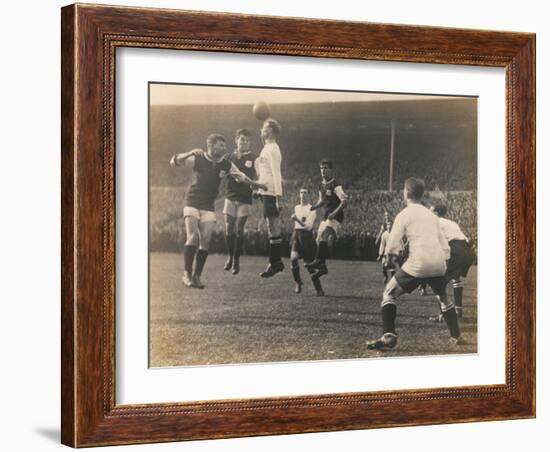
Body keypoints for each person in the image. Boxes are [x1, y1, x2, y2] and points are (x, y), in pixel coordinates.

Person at [366, 178, 463, 350]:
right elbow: (445, 246)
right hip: (439, 262)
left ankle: (388, 335)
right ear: (421, 194)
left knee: (389, 292)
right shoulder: (432, 216)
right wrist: (443, 264)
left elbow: (393, 242)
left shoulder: (404, 214)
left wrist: (389, 258)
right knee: (443, 297)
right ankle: (456, 335)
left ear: (406, 192)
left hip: (419, 262)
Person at [169, 134, 266, 289]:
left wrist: (257, 185)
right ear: (212, 146)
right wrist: (190, 152)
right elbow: (174, 161)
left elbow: (241, 177)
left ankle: (197, 277)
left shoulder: (226, 164)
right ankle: (186, 274)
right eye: (221, 145)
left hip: (208, 205)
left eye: (224, 145)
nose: (224, 148)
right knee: (193, 237)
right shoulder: (199, 158)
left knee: (205, 241)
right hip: (192, 202)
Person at [430, 204, 476, 320]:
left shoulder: (435, 222)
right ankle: (458, 310)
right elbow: (467, 240)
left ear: (435, 212)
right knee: (456, 278)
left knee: (438, 282)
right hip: (468, 251)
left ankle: (444, 315)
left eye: (430, 211)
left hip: (455, 250)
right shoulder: (452, 223)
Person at [306, 160, 348, 279]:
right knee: (318, 239)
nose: (323, 171)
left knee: (324, 235)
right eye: (321, 168)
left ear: (330, 169)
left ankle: (318, 261)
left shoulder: (336, 185)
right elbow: (322, 200)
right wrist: (314, 206)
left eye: (325, 168)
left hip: (336, 215)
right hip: (327, 215)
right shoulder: (321, 185)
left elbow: (344, 202)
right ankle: (323, 267)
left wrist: (334, 213)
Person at [222, 128, 257, 275]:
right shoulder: (229, 157)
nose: (243, 142)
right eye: (241, 139)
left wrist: (256, 188)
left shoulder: (254, 158)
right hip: (230, 196)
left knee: (239, 229)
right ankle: (230, 256)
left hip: (244, 198)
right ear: (236, 140)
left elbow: (259, 175)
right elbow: (222, 172)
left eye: (246, 140)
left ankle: (236, 260)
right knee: (229, 229)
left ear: (250, 143)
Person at [255, 118, 285, 278]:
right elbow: (264, 173)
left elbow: (276, 173)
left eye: (264, 128)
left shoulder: (273, 149)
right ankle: (276, 262)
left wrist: (278, 197)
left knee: (273, 226)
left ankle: (275, 263)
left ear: (271, 131)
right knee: (270, 226)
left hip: (271, 193)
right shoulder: (266, 148)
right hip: (264, 192)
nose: (261, 129)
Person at [289, 188, 324, 296]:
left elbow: (308, 227)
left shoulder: (312, 209)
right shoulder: (296, 207)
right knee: (293, 259)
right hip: (296, 235)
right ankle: (298, 282)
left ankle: (319, 289)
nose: (303, 195)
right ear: (299, 195)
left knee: (309, 266)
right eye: (301, 192)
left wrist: (297, 220)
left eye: (305, 193)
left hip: (307, 237)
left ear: (309, 195)